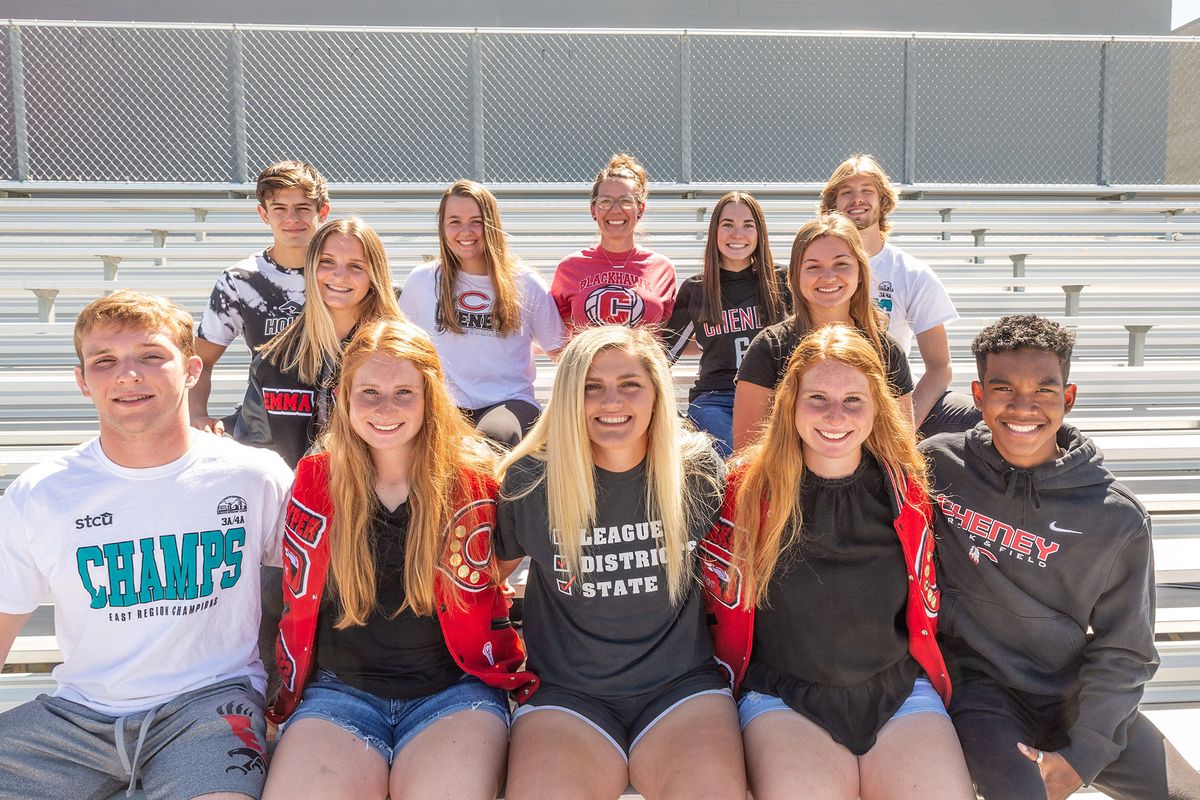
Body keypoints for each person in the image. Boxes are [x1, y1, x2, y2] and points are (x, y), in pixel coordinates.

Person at [0, 291, 293, 800]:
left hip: (208, 707)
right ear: (82, 380)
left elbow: (313, 590)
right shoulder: (41, 492)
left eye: (152, 356)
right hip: (78, 719)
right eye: (105, 361)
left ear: (192, 370)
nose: (128, 374)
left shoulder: (253, 476)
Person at [920, 314, 1200, 800]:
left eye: (1044, 391)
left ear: (1067, 399)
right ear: (979, 395)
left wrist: (1085, 755)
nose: (1023, 407)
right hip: (982, 690)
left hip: (1074, 691)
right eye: (1003, 388)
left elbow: (1126, 649)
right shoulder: (937, 464)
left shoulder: (1116, 517)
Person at [262, 319, 537, 800]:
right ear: (345, 397)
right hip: (337, 692)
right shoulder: (315, 477)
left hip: (455, 692)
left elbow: (500, 565)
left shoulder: (475, 477)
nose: (385, 408)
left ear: (430, 396)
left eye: (403, 392)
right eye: (369, 391)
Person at [701, 323, 974, 800]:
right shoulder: (742, 491)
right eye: (817, 398)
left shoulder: (907, 491)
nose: (835, 415)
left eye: (853, 400)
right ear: (790, 403)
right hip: (784, 695)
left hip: (896, 689)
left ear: (876, 407)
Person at [494, 325, 745, 800]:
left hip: (681, 689)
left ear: (656, 392)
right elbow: (482, 582)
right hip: (566, 695)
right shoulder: (530, 479)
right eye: (592, 387)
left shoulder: (696, 471)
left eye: (630, 384)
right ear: (569, 396)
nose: (613, 402)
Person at [820, 154, 978, 436]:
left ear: (883, 201)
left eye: (867, 191)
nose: (857, 199)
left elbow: (940, 368)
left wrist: (902, 429)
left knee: (979, 417)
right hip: (830, 396)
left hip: (895, 397)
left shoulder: (912, 273)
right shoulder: (816, 269)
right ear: (833, 204)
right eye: (847, 192)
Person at [400, 180, 566, 447]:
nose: (466, 231)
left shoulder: (525, 283)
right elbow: (401, 350)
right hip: (445, 403)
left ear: (492, 224)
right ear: (442, 227)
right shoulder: (423, 280)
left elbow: (562, 353)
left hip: (509, 401)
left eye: (476, 221)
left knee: (494, 439)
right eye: (454, 221)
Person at [732, 212, 914, 450]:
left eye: (841, 264)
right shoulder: (769, 347)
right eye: (813, 267)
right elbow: (746, 452)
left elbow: (902, 451)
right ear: (795, 276)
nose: (827, 277)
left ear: (860, 273)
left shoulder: (888, 351)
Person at [231, 217, 402, 469]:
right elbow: (254, 455)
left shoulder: (401, 355)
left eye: (356, 266)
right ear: (311, 268)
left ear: (374, 275)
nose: (339, 275)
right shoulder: (274, 360)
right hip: (295, 502)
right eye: (327, 262)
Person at [192, 160, 331, 434]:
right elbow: (200, 359)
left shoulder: (345, 275)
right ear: (263, 214)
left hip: (338, 426)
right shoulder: (241, 279)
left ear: (322, 212)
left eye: (303, 208)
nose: (292, 218)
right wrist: (197, 416)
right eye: (279, 209)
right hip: (269, 427)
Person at [663, 190, 790, 457]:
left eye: (747, 225)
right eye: (728, 225)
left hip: (772, 396)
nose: (737, 234)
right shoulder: (696, 289)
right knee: (738, 460)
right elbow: (663, 356)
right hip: (715, 399)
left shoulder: (782, 282)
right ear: (715, 232)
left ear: (759, 233)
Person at [551, 153, 677, 331]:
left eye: (626, 201)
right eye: (605, 201)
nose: (615, 210)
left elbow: (667, 340)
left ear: (640, 209)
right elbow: (556, 338)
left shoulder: (662, 269)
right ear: (593, 210)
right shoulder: (569, 268)